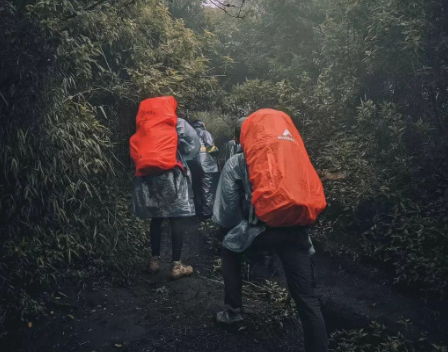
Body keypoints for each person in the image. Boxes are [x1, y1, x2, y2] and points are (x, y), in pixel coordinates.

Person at [212, 112, 328, 352]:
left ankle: (233, 312)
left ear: (241, 139)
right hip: (297, 232)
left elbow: (226, 211)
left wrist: (231, 230)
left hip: (261, 231)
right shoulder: (294, 158)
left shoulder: (238, 161)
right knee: (307, 299)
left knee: (229, 249)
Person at [132, 110, 201, 280]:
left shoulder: (146, 126)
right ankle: (176, 264)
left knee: (157, 218)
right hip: (174, 175)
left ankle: (154, 261)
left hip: (152, 177)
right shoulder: (178, 123)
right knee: (176, 218)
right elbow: (193, 146)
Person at [188, 120, 220, 220]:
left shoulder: (189, 134)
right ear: (202, 125)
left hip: (192, 165)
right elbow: (210, 148)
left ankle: (198, 213)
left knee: (196, 189)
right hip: (206, 165)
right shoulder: (204, 133)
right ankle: (207, 215)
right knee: (207, 189)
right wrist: (217, 150)